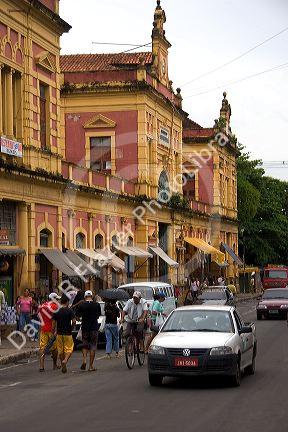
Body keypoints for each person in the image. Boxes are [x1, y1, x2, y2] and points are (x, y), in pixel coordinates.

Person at [76, 290, 101, 372]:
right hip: (94, 327)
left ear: (85, 296)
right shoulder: (96, 304)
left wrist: (81, 318)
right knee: (93, 346)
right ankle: (91, 366)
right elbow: (98, 316)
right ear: (92, 296)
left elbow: (77, 316)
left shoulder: (81, 305)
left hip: (85, 328)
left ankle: (84, 360)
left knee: (85, 344)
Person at [52, 295, 76, 374]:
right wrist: (72, 328)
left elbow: (53, 323)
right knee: (69, 348)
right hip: (67, 333)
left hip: (59, 333)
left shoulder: (57, 310)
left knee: (60, 350)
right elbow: (74, 321)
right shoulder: (69, 311)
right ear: (67, 302)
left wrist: (53, 332)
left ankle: (63, 366)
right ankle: (65, 360)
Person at [38, 293, 60, 372]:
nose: (57, 300)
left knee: (42, 347)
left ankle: (41, 366)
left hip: (43, 329)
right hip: (52, 330)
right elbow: (56, 320)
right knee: (54, 349)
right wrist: (55, 330)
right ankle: (54, 365)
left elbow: (39, 316)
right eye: (57, 299)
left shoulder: (42, 306)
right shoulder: (55, 306)